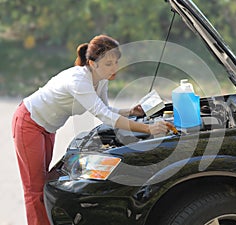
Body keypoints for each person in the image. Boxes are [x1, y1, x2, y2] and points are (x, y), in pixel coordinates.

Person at [11, 34, 173, 225]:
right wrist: (148, 128)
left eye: (116, 62)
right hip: (29, 122)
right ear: (92, 63)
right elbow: (104, 116)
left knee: (45, 182)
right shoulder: (79, 80)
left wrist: (130, 111)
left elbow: (106, 109)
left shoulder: (101, 79)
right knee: (34, 188)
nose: (114, 68)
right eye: (108, 63)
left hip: (48, 128)